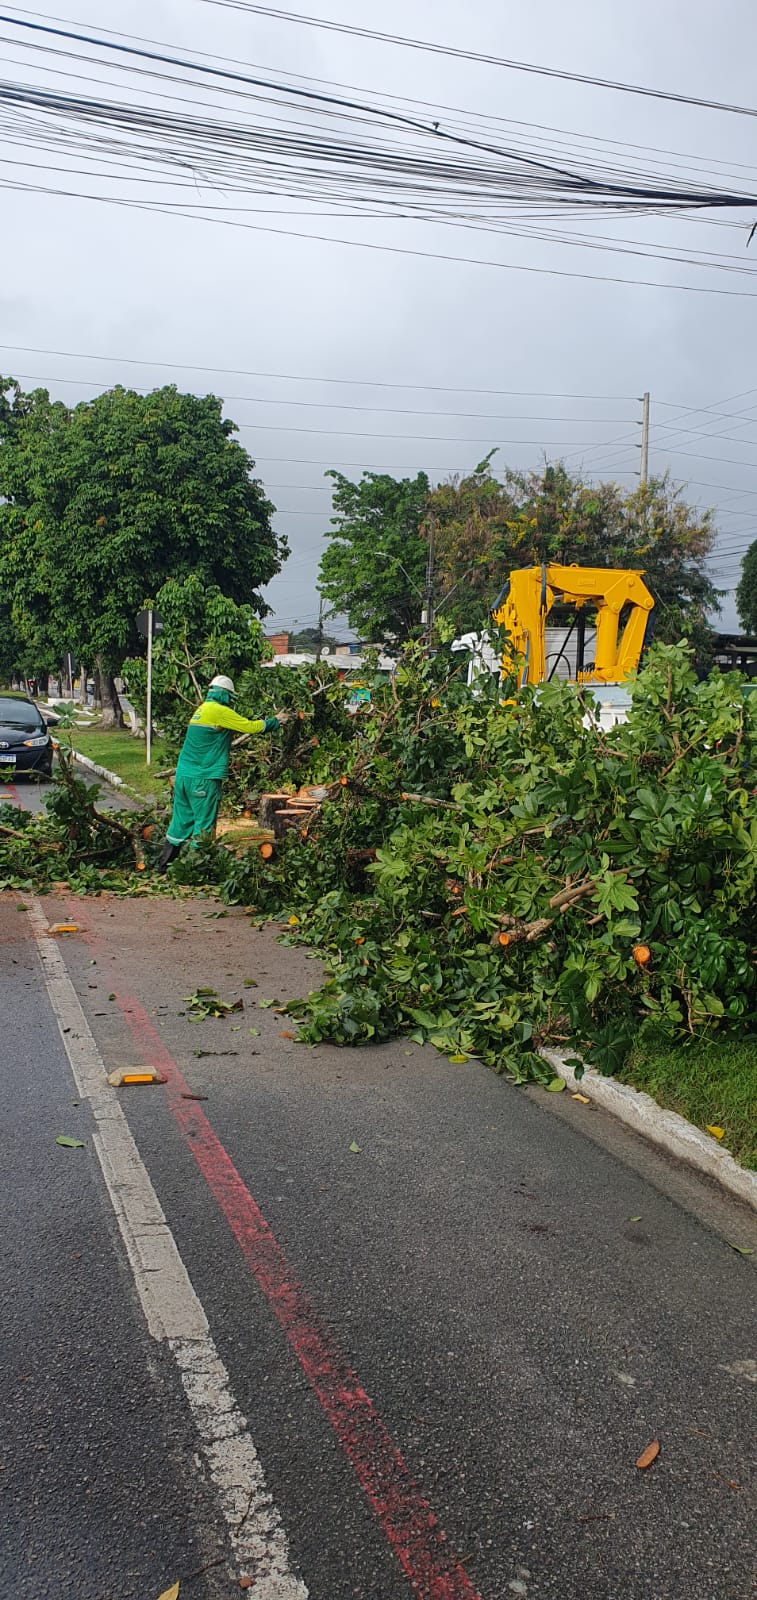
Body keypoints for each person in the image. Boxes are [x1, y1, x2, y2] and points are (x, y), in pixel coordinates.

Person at [157, 675, 287, 869]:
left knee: (180, 822)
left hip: (183, 776)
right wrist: (275, 721)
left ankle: (163, 866)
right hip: (203, 778)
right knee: (204, 826)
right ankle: (197, 869)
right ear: (225, 695)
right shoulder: (219, 711)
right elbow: (250, 726)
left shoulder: (201, 710)